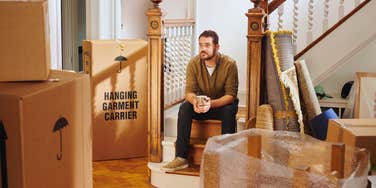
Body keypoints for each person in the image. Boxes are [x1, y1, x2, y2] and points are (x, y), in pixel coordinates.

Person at [161, 30, 239, 172]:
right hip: (201, 106)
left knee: (229, 110)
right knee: (185, 107)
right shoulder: (193, 63)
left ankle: (227, 158)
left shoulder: (230, 64)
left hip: (221, 105)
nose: (203, 48)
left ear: (217, 47)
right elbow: (189, 92)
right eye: (201, 45)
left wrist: (211, 104)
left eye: (207, 45)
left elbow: (230, 95)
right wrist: (195, 102)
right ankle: (181, 157)